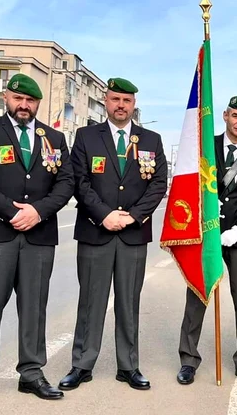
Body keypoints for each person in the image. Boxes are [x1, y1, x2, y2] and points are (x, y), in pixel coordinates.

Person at [0, 74, 74, 408]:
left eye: (30, 101)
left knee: (35, 307)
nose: (24, 106)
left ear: (38, 103)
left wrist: (37, 212)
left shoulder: (53, 137)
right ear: (7, 97)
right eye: (18, 99)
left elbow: (66, 183)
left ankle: (32, 373)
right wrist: (12, 212)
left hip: (38, 236)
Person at [59, 78, 167, 392]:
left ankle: (129, 366)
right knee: (90, 302)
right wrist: (104, 214)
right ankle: (81, 365)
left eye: (127, 101)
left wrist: (132, 216)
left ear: (134, 105)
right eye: (115, 99)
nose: (121, 105)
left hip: (133, 235)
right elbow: (79, 182)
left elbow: (158, 184)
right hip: (96, 232)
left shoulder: (152, 139)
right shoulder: (86, 136)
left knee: (128, 302)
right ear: (106, 101)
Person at [177, 96, 237, 387]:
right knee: (198, 296)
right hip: (207, 235)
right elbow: (190, 189)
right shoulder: (205, 148)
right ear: (224, 115)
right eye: (235, 116)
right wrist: (202, 226)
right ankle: (188, 360)